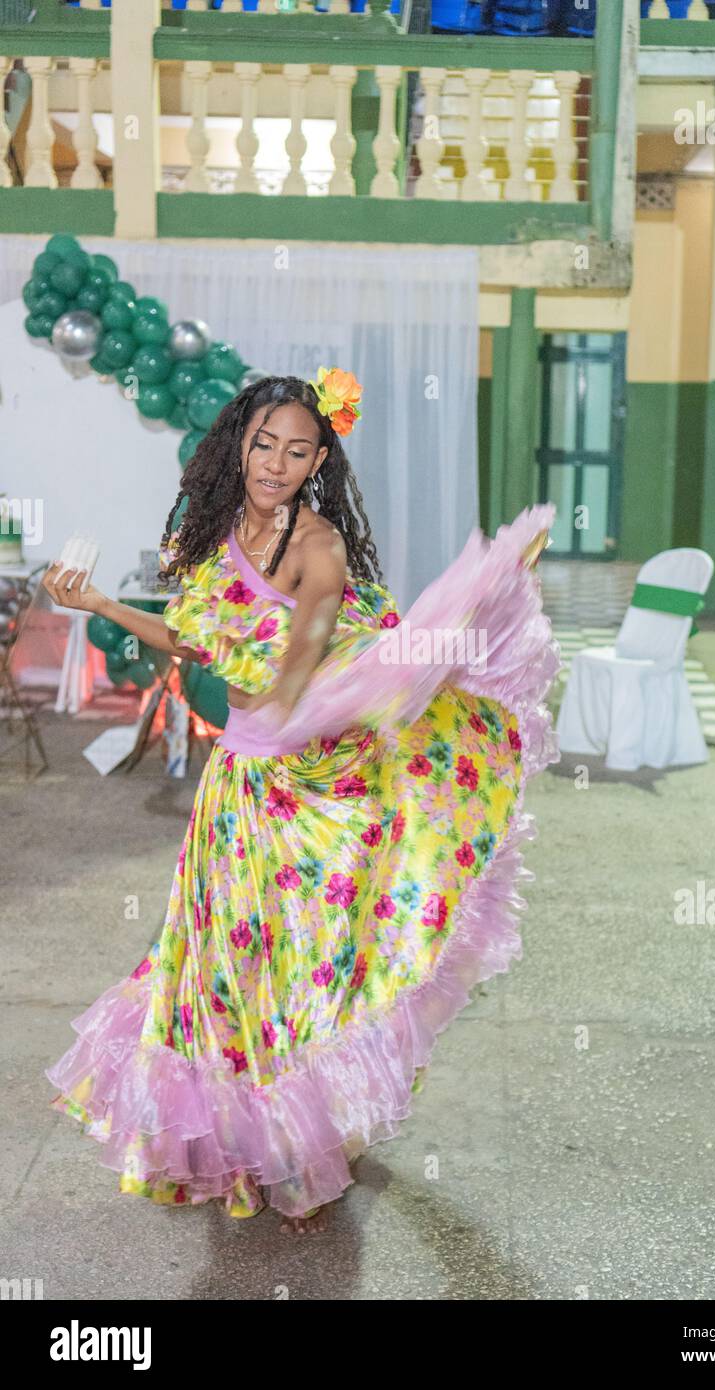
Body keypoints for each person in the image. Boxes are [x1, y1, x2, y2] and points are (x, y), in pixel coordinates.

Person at [42, 370, 560, 1233]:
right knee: (218, 972)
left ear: (320, 458)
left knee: (293, 973)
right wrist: (97, 603)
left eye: (296, 450)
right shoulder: (212, 534)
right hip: (233, 794)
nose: (275, 464)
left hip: (309, 788)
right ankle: (240, 1143)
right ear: (239, 443)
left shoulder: (319, 546)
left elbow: (310, 641)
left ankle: (300, 1151)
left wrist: (289, 697)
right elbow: (191, 639)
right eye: (263, 444)